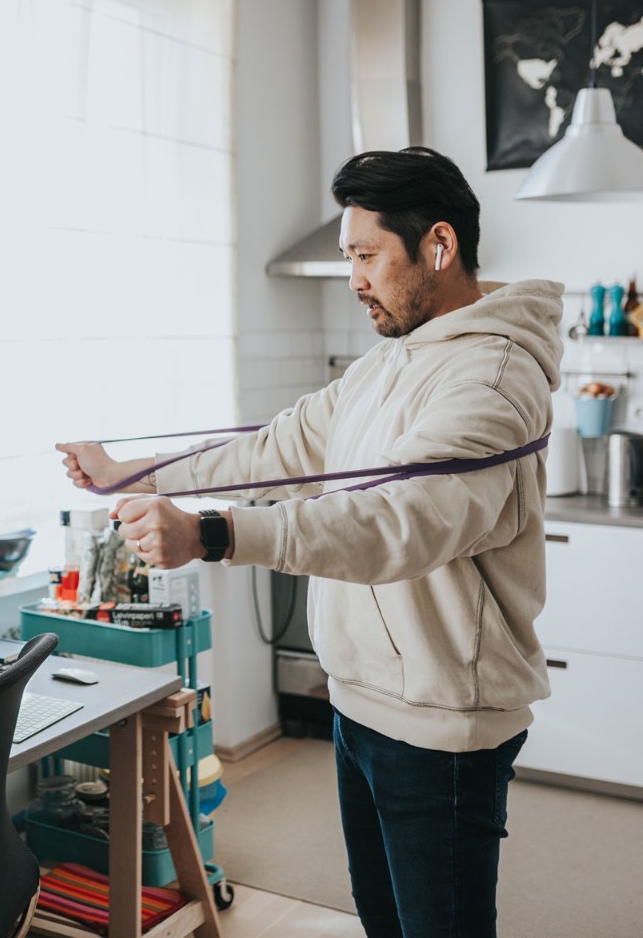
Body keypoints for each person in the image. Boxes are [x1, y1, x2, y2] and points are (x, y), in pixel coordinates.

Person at [57, 146, 562, 938]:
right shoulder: (392, 361)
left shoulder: (491, 380)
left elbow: (394, 523)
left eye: (366, 256)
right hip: (362, 705)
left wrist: (212, 533)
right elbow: (280, 445)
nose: (354, 278)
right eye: (347, 257)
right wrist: (136, 475)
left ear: (437, 245)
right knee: (383, 921)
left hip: (440, 724)